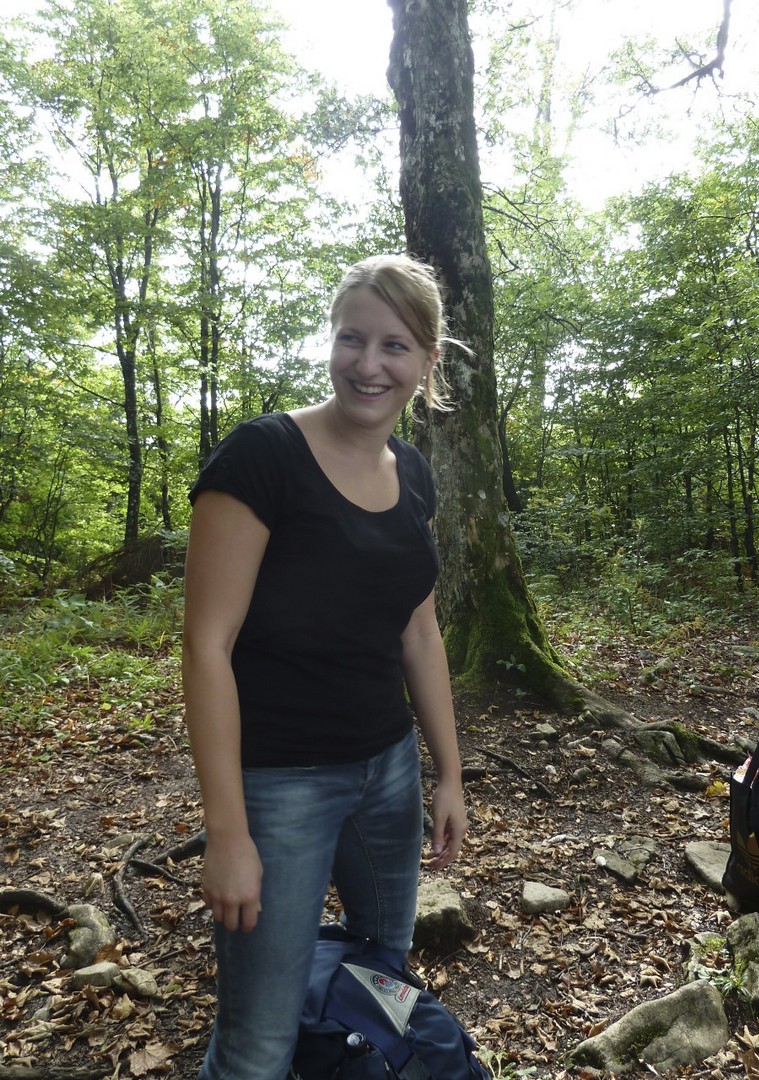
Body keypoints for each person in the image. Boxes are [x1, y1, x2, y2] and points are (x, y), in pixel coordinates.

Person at [182, 253, 469, 1080]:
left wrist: (449, 774)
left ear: (427, 361)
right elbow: (206, 645)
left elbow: (420, 633)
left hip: (388, 773)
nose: (368, 364)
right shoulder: (262, 457)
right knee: (256, 1047)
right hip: (280, 785)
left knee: (381, 975)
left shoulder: (413, 474)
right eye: (352, 338)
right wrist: (228, 833)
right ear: (332, 340)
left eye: (394, 346)